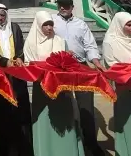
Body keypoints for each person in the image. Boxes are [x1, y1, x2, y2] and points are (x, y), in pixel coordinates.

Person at [24, 10, 84, 156]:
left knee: (64, 117)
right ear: (38, 25)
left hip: (62, 88)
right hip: (42, 88)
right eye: (45, 25)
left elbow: (66, 62)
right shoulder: (31, 43)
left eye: (51, 24)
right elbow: (29, 66)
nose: (49, 28)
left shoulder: (60, 40)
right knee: (46, 119)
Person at [51, 0, 104, 156]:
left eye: (66, 5)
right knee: (62, 105)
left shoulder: (81, 24)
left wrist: (96, 62)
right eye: (60, 4)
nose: (62, 8)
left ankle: (91, 144)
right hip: (60, 68)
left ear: (72, 7)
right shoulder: (51, 21)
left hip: (80, 66)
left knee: (86, 105)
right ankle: (67, 144)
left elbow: (90, 45)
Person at [0, 3, 32, 156]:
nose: (0, 18)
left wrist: (18, 58)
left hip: (15, 73)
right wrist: (5, 62)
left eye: (2, 15)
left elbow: (20, 46)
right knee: (0, 111)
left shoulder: (15, 27)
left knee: (19, 110)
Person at [103, 11, 131, 156]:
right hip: (124, 87)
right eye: (129, 25)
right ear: (120, 25)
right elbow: (111, 65)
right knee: (127, 121)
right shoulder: (110, 42)